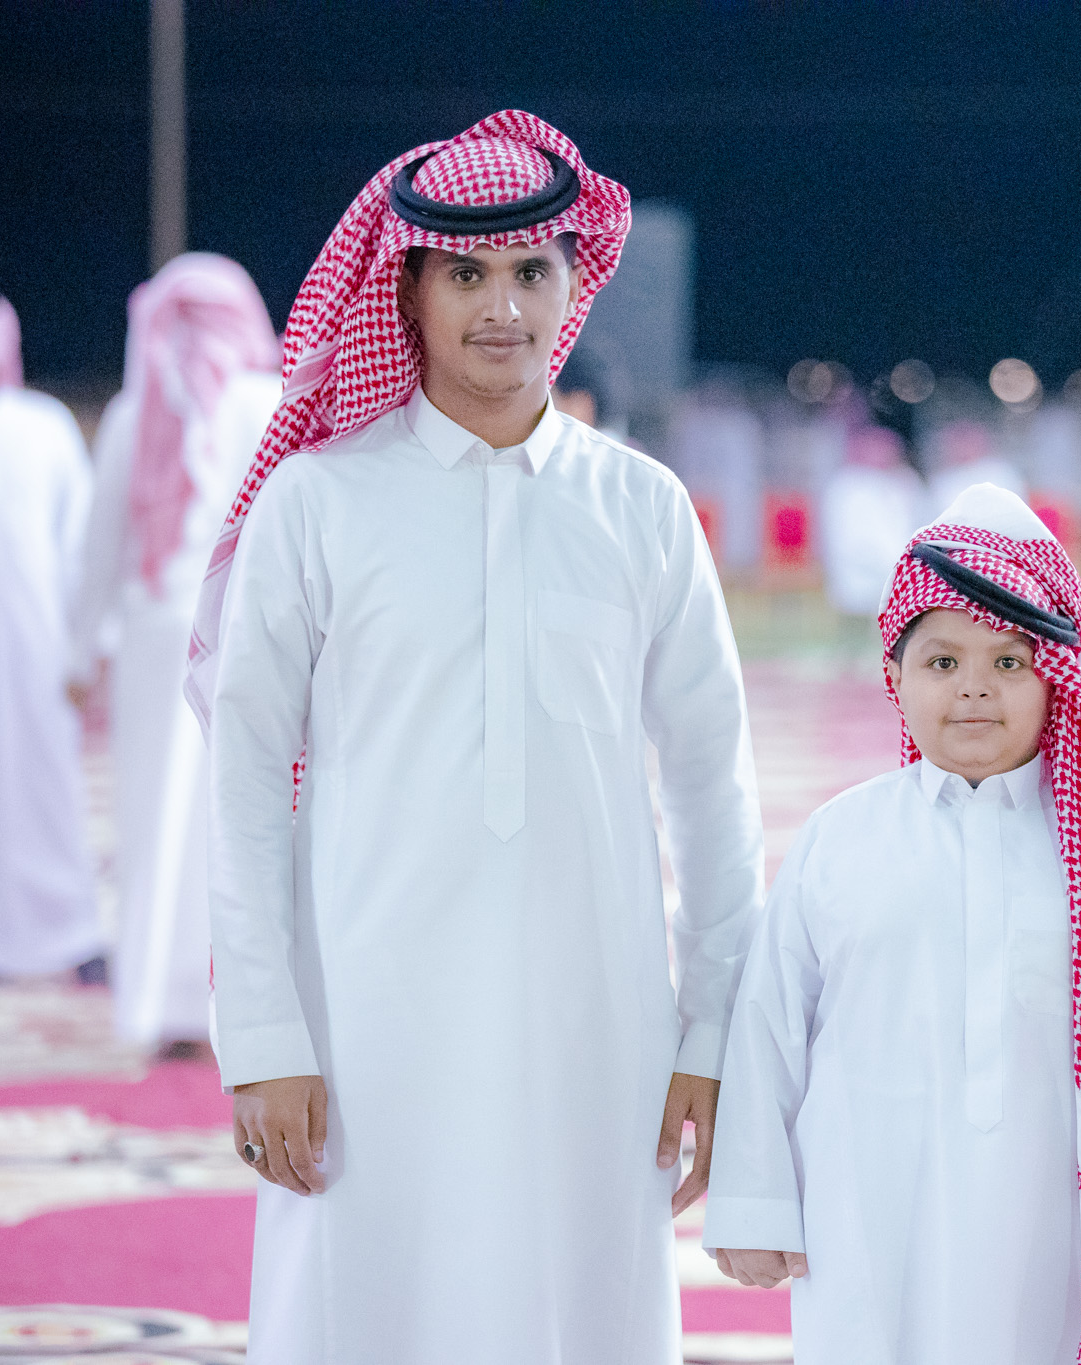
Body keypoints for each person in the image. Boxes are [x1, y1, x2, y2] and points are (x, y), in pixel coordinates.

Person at [194, 111, 764, 1365]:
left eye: (529, 272)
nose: (502, 308)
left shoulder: (641, 508)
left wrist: (713, 1031)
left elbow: (711, 787)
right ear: (406, 289)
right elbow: (241, 782)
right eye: (464, 274)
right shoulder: (318, 502)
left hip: (595, 1024)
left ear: (573, 283)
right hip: (365, 1018)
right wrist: (265, 1037)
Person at [707, 484, 1081, 1365]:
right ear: (894, 676)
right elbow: (769, 1029)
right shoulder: (841, 838)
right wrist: (754, 1200)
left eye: (1010, 662)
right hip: (868, 1204)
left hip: (1064, 1217)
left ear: (1059, 677)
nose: (975, 689)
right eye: (943, 661)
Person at [69, 254, 281, 1051]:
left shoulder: (134, 414)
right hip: (243, 636)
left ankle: (158, 1003)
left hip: (156, 642)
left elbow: (98, 554)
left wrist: (79, 653)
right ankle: (231, 1008)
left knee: (153, 821)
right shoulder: (265, 403)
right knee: (235, 823)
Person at [0, 286, 100, 982]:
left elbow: (82, 544)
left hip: (35, 649)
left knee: (46, 785)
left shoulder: (42, 427)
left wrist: (87, 647)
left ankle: (69, 932)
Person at [817, 423, 922, 616]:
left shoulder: (904, 481)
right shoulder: (847, 486)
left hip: (902, 563)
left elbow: (916, 523)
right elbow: (852, 540)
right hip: (862, 570)